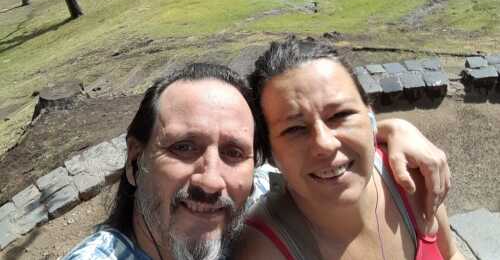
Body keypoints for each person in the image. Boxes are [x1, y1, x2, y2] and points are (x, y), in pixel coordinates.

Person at [64, 62, 450, 260]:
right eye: (183, 147)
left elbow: (316, 150)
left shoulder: (252, 188)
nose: (212, 180)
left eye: (234, 152)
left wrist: (392, 130)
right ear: (135, 161)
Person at [235, 37, 460, 260]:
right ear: (270, 153)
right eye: (294, 129)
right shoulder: (261, 250)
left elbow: (451, 254)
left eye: (340, 115)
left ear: (370, 114)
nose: (325, 144)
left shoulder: (412, 178)